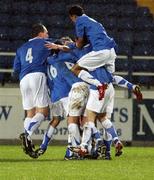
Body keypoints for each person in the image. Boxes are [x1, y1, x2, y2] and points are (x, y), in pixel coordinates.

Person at [13, 23, 51, 158]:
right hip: (37, 75)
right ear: (40, 34)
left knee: (30, 113)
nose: (48, 35)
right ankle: (27, 134)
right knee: (43, 111)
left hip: (23, 79)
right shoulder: (45, 42)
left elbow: (15, 70)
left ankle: (27, 141)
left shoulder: (21, 48)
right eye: (46, 33)